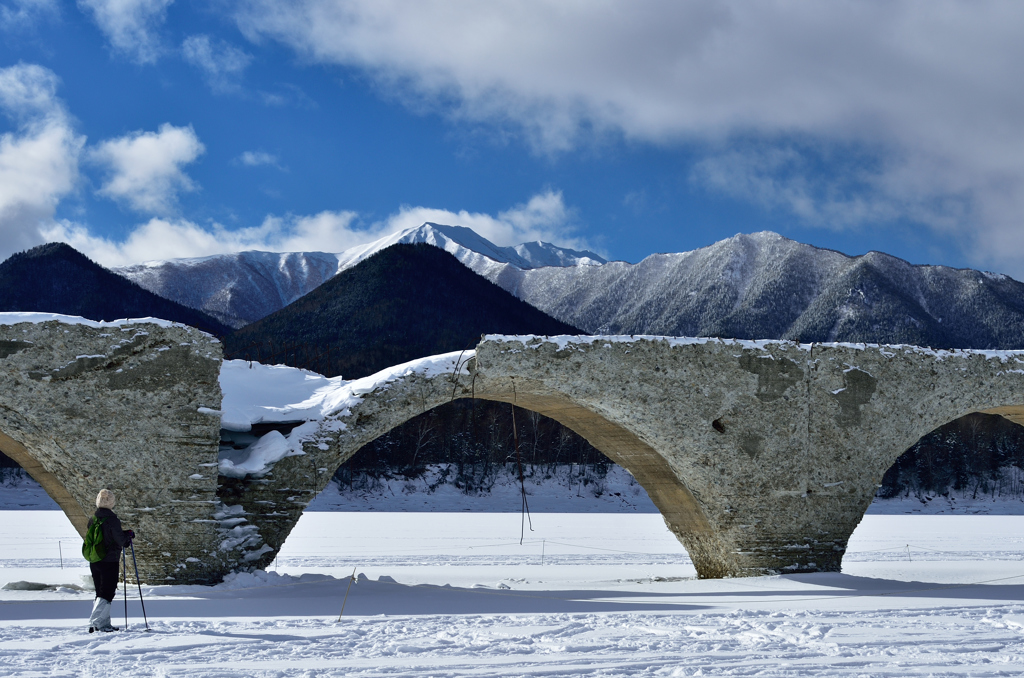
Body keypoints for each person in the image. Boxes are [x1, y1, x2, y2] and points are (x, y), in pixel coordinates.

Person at [87, 489, 133, 633]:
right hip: (110, 561)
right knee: (107, 592)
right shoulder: (113, 520)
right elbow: (120, 541)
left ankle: (104, 624)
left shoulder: (93, 519)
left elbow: (106, 536)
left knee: (100, 592)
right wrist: (128, 537)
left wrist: (122, 535)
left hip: (95, 560)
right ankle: (95, 621)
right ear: (112, 503)